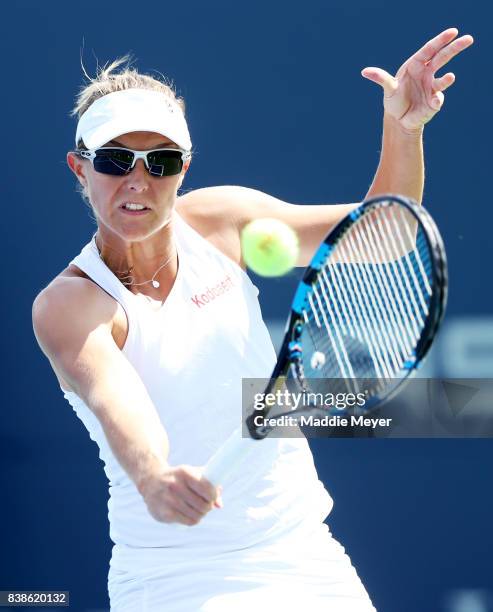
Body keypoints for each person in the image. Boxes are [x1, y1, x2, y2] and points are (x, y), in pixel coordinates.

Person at [32, 28, 472, 612]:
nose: (138, 181)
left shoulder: (224, 221)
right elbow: (118, 402)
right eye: (115, 160)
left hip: (306, 555)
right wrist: (155, 476)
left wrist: (404, 129)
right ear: (78, 169)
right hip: (174, 581)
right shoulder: (69, 304)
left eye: (160, 162)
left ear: (184, 167)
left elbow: (387, 233)